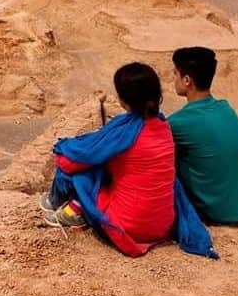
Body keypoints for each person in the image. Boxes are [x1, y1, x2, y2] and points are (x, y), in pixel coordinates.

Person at [40, 62, 176, 257]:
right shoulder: (163, 127)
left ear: (124, 100)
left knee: (82, 170)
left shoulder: (124, 132)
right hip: (162, 225)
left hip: (127, 226)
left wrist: (69, 147)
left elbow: (69, 162)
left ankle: (64, 206)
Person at [168, 46, 238, 224]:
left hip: (213, 214)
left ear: (187, 80)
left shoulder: (180, 122)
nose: (173, 79)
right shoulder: (226, 108)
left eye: (175, 74)